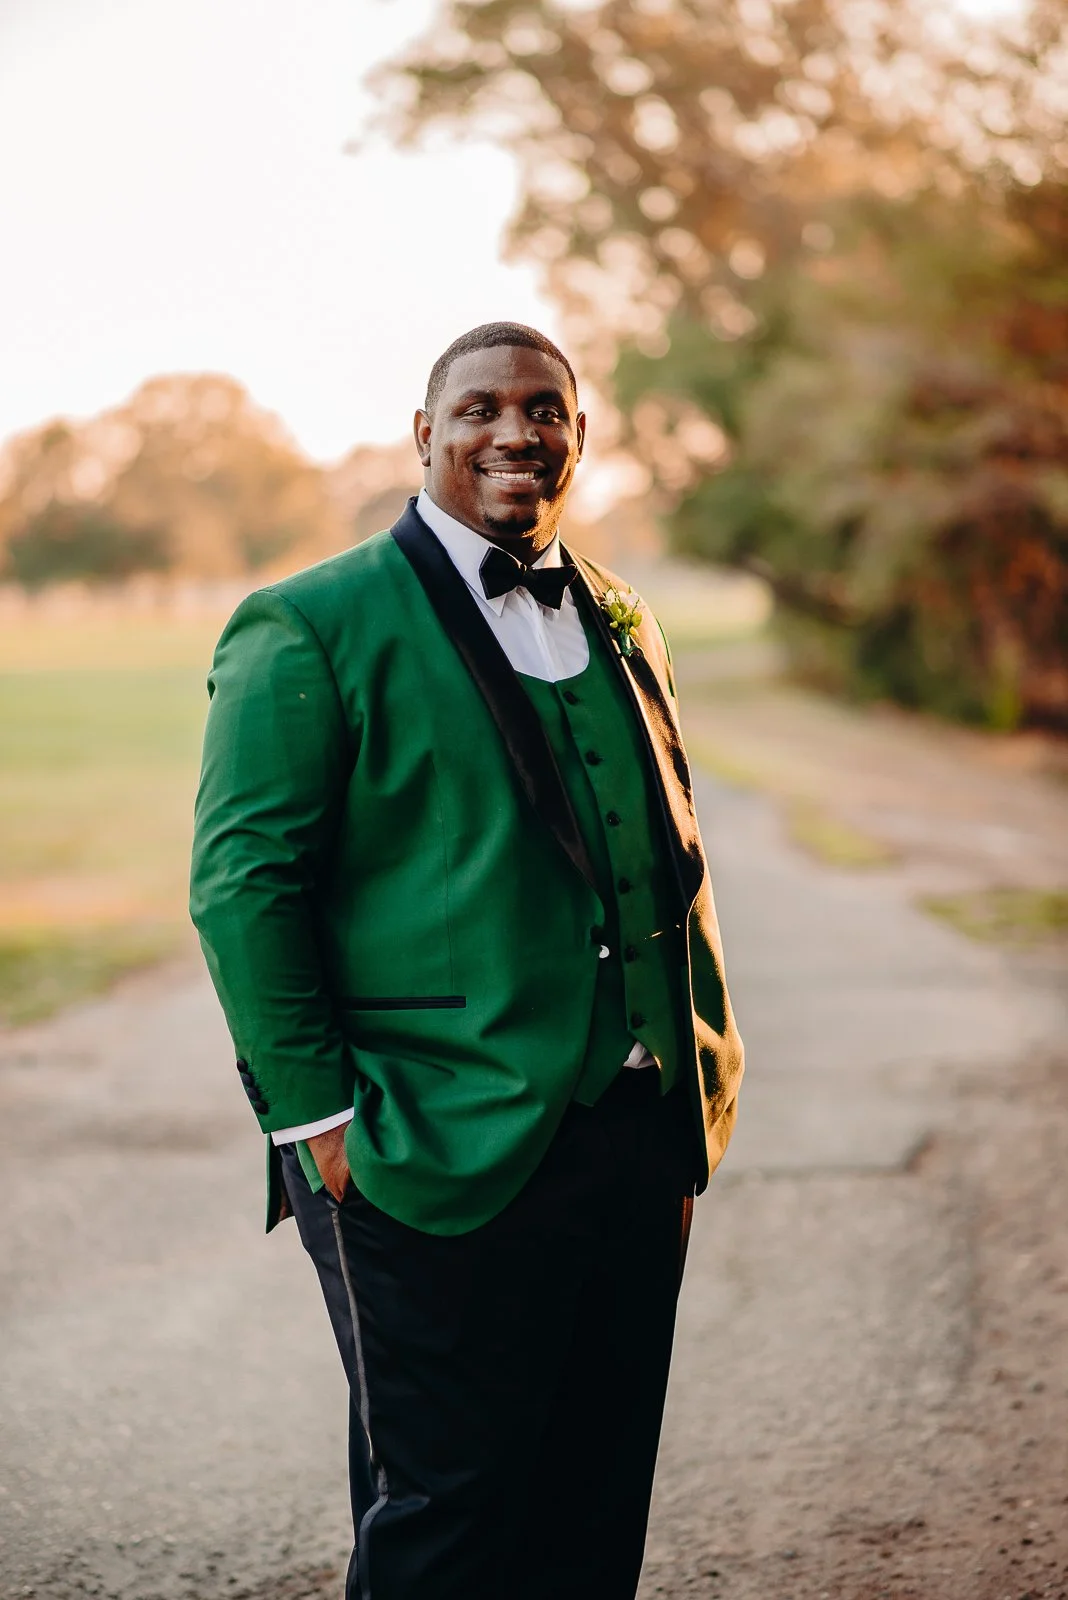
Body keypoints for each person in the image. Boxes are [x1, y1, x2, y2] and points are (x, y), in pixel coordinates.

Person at [189, 321, 743, 1600]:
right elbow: (242, 885)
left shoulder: (620, 611)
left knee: (596, 1500)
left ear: (582, 437)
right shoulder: (307, 623)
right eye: (483, 408)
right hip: (419, 1139)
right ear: (424, 434)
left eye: (547, 410)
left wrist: (691, 1083)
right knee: (449, 1512)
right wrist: (322, 1124)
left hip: (634, 1131)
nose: (517, 433)